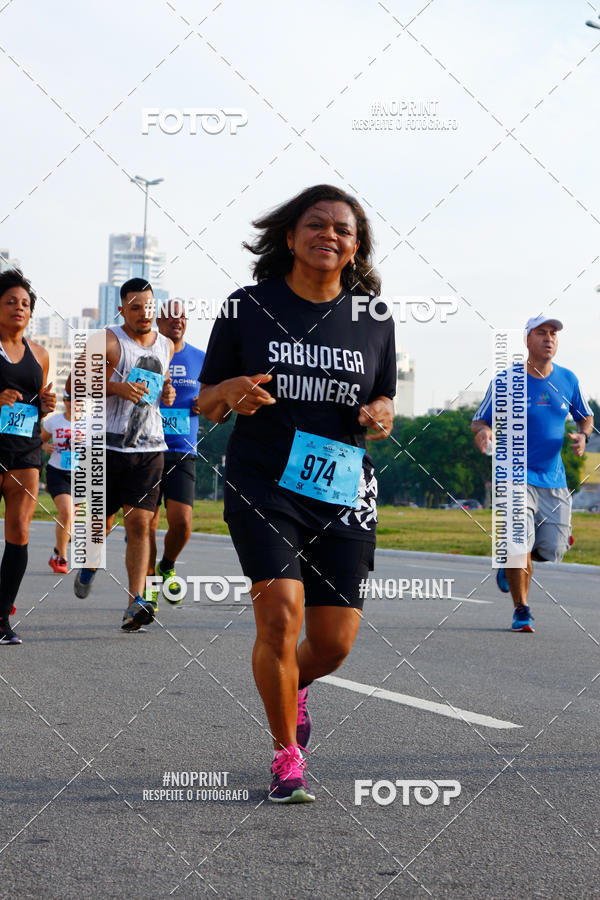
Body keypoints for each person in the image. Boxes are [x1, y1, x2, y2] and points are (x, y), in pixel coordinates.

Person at [197, 185, 396, 803]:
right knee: (281, 616)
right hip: (263, 482)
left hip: (340, 484)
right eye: (316, 224)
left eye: (343, 229)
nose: (329, 235)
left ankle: (295, 684)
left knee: (333, 644)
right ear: (290, 236)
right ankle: (287, 757)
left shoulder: (374, 319)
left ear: (355, 247)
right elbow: (204, 403)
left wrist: (382, 413)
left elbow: (384, 398)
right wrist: (232, 389)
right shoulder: (246, 307)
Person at [472, 315, 593, 632]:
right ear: (527, 340)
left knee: (552, 550)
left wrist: (583, 436)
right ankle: (521, 609)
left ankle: (508, 564)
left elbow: (585, 417)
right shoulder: (505, 380)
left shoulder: (567, 380)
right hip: (513, 476)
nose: (549, 338)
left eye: (553, 333)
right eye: (542, 333)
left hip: (553, 478)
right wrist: (484, 433)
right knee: (517, 546)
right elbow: (480, 420)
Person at [69, 278, 175, 631]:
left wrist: (168, 392)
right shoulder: (107, 340)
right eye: (135, 308)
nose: (144, 315)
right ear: (121, 310)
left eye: (148, 307)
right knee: (98, 525)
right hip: (105, 447)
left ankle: (135, 602)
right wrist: (115, 387)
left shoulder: (166, 344)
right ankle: (90, 562)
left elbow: (160, 385)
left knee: (140, 524)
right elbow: (73, 385)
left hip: (149, 448)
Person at [0, 269, 56, 644]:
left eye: (25, 304)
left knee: (19, 532)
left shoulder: (40, 354)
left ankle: (2, 616)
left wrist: (48, 405)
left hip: (25, 453)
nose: (19, 308)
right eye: (10, 302)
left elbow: (41, 404)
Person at [147, 300, 205, 606]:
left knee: (182, 523)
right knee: (147, 524)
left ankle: (166, 564)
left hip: (183, 450)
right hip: (147, 449)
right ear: (158, 322)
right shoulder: (146, 355)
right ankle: (147, 590)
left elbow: (215, 400)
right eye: (170, 317)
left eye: (182, 316)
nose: (177, 321)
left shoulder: (200, 358)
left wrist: (204, 404)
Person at [41, 392, 77, 574]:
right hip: (58, 472)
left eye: (78, 399)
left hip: (80, 475)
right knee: (66, 512)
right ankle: (62, 558)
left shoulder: (91, 424)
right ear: (64, 401)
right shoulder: (54, 422)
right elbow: (39, 440)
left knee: (71, 520)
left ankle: (56, 552)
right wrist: (45, 447)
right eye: (70, 399)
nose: (73, 403)